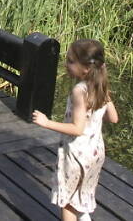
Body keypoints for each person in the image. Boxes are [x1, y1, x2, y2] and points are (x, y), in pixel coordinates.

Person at [32, 39, 119, 221]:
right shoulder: (101, 84)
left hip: (77, 154)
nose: (66, 64)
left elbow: (77, 128)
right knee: (82, 192)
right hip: (95, 153)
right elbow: (113, 118)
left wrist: (46, 122)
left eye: (71, 61)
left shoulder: (80, 91)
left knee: (68, 202)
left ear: (86, 68)